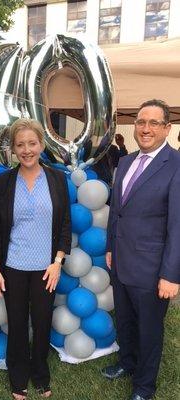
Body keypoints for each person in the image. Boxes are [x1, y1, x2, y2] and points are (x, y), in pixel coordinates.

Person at [0, 118, 71, 400]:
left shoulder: (58, 179)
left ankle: (40, 374)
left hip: (46, 268)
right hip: (13, 267)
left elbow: (65, 226)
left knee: (43, 321)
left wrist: (58, 262)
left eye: (31, 143)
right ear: (12, 148)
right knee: (18, 322)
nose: (26, 150)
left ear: (41, 144)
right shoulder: (3, 182)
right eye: (20, 144)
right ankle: (18, 377)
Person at [102, 99, 180, 400]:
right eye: (140, 122)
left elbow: (177, 225)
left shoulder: (175, 165)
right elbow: (116, 211)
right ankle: (127, 362)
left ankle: (144, 387)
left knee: (149, 331)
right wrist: (110, 246)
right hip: (120, 262)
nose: (145, 129)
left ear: (166, 128)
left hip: (152, 269)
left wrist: (171, 274)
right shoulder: (124, 162)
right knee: (124, 321)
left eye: (153, 123)